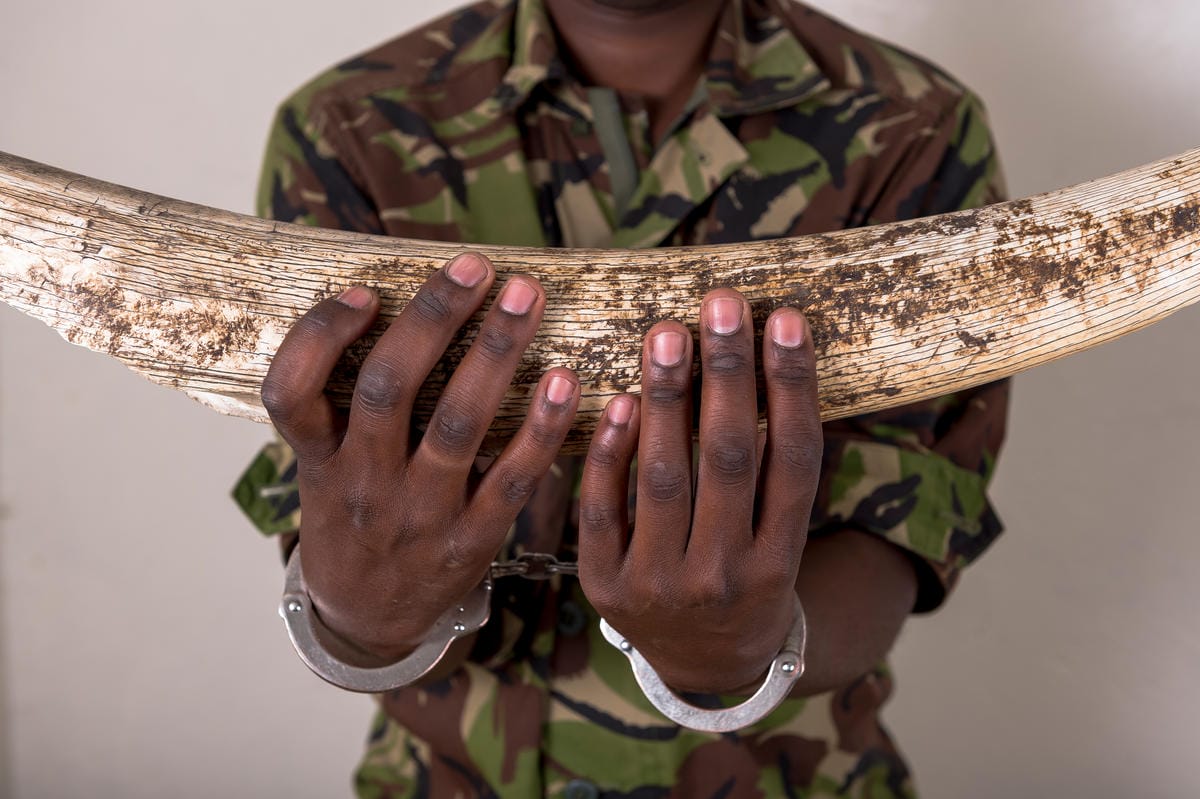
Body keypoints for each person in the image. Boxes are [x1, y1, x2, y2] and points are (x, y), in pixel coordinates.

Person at [232, 0, 1010, 794]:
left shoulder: (915, 127)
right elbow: (339, 512)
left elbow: (906, 513)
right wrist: (361, 618)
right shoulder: (347, 128)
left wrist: (749, 647)